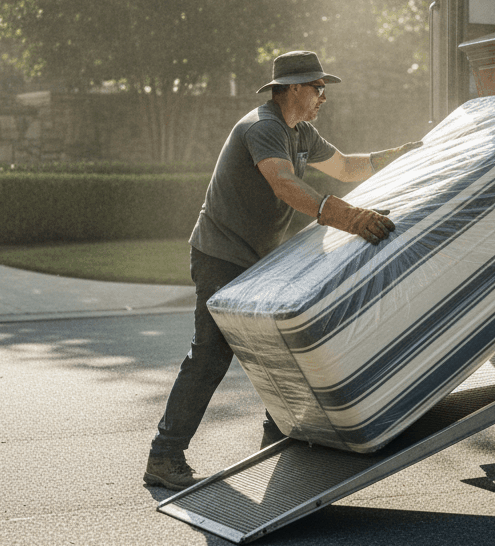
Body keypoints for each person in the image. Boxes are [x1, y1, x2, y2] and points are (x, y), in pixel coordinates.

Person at [145, 50, 423, 490]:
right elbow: (283, 183)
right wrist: (348, 217)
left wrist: (397, 156)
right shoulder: (264, 126)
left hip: (258, 259)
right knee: (211, 355)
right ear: (294, 87)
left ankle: (277, 437)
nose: (323, 98)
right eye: (318, 88)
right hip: (221, 254)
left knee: (280, 347)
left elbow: (346, 166)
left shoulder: (300, 132)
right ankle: (164, 456)